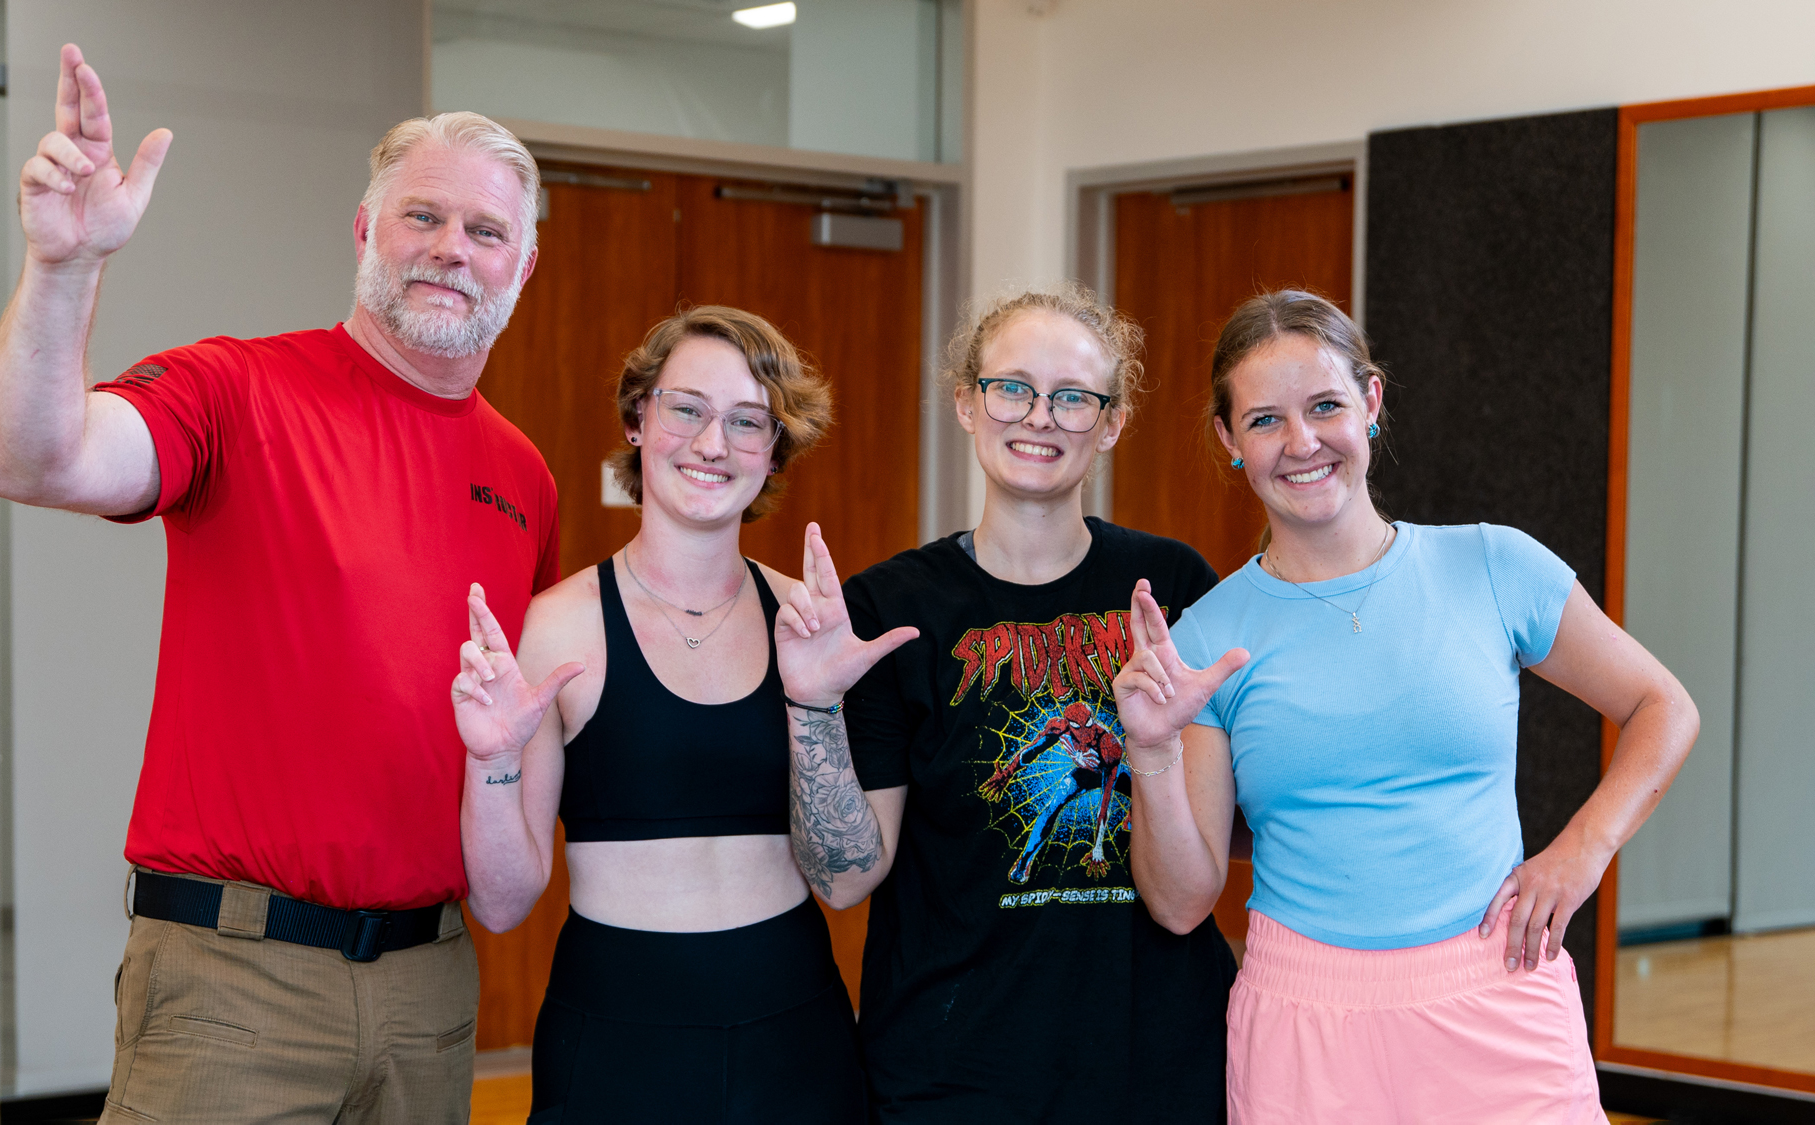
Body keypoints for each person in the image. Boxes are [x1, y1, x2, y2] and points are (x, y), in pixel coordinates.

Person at [0, 44, 556, 1124]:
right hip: (232, 984)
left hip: (429, 986)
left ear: (521, 269)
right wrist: (63, 266)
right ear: (363, 231)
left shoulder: (524, 476)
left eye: (485, 233)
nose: (450, 252)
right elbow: (34, 458)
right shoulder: (238, 390)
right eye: (422, 216)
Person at [1118, 289, 1698, 1124]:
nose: (1302, 442)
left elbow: (1662, 705)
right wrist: (1152, 752)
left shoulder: (1493, 565)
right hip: (1305, 1027)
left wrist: (1583, 850)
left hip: (1500, 992)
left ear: (1372, 403)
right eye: (1264, 420)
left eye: (1325, 406)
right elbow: (1180, 901)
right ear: (1229, 441)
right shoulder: (1208, 636)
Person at [773, 285, 1243, 1122]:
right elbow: (845, 881)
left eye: (1074, 397)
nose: (1041, 417)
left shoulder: (1173, 588)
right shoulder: (890, 610)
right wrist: (811, 705)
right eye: (1012, 387)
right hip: (953, 1071)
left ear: (1112, 423)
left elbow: (1204, 868)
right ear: (967, 401)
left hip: (1156, 1063)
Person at [452, 306, 900, 1123]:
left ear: (774, 452)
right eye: (686, 408)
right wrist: (490, 760)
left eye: (746, 422)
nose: (712, 443)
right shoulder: (558, 625)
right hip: (617, 1030)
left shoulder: (807, 620)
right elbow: (501, 902)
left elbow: (845, 881)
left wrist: (817, 701)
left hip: (793, 1026)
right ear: (637, 418)